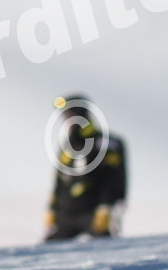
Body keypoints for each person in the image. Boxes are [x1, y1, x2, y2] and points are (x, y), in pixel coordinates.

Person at [44, 94, 128, 241]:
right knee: (50, 246)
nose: (67, 119)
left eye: (71, 114)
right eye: (65, 115)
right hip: (67, 213)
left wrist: (107, 207)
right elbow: (59, 180)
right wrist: (52, 208)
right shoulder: (67, 147)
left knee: (105, 247)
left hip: (95, 211)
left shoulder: (107, 143)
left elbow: (114, 179)